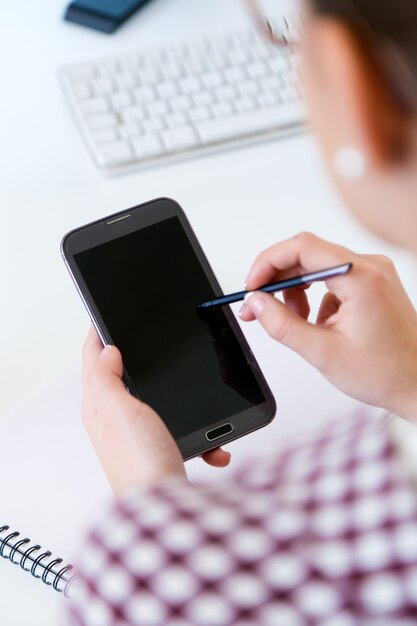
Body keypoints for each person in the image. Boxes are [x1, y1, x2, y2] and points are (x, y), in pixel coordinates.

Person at [64, 0, 417, 623]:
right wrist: (410, 382)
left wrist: (153, 511)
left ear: (353, 79)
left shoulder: (153, 573)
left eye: (288, 44)